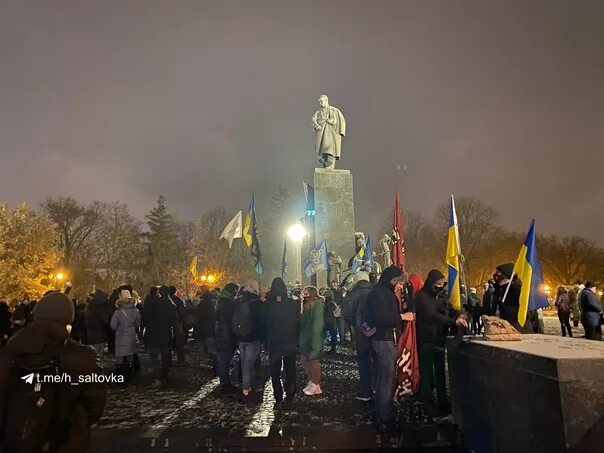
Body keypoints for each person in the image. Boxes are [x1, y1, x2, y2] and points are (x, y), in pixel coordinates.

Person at [0, 292, 106, 452]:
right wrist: (76, 423)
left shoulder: (8, 351)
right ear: (68, 319)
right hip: (65, 442)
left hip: (15, 439)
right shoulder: (82, 356)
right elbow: (95, 404)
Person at [366, 265, 415, 435]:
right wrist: (402, 316)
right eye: (400, 283)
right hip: (384, 340)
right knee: (385, 379)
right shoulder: (380, 294)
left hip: (386, 339)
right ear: (393, 281)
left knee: (384, 378)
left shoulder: (383, 293)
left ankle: (382, 411)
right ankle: (384, 416)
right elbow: (382, 317)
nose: (401, 286)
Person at [415, 270, 468, 415]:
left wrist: (459, 315)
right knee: (426, 375)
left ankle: (443, 402)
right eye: (438, 284)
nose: (440, 287)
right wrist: (452, 321)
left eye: (442, 284)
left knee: (440, 374)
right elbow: (431, 315)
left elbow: (449, 309)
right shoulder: (421, 297)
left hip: (439, 339)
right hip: (425, 340)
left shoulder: (441, 297)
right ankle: (427, 404)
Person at [265, 277, 300, 407]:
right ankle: (290, 390)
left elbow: (264, 322)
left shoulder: (268, 304)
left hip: (274, 343)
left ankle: (278, 397)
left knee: (275, 372)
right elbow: (298, 322)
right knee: (290, 369)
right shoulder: (293, 303)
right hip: (290, 341)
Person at [233, 280, 264, 399]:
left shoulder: (238, 299)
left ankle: (245, 383)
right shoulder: (257, 302)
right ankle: (246, 387)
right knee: (248, 364)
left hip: (240, 336)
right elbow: (260, 321)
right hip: (253, 336)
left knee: (243, 360)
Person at [346, 271, 374, 402]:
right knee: (375, 360)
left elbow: (348, 313)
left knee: (363, 361)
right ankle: (376, 388)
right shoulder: (374, 291)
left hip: (361, 332)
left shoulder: (354, 293)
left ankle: (365, 391)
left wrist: (354, 325)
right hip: (375, 331)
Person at [142, 285, 177, 386]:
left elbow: (148, 318)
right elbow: (174, 321)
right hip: (166, 334)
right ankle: (164, 377)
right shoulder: (172, 305)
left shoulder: (154, 304)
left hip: (154, 333)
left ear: (160, 292)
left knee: (155, 357)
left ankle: (157, 378)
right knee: (165, 357)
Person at [492, 263, 534, 333]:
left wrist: (506, 310)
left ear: (507, 275)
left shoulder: (519, 289)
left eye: (498, 274)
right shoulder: (500, 289)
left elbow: (528, 311)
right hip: (505, 328)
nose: (495, 277)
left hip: (520, 329)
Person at [110, 289, 141, 382]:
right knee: (130, 356)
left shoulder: (118, 311)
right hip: (131, 336)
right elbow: (138, 324)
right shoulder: (135, 310)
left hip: (121, 337)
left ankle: (120, 376)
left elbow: (112, 325)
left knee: (120, 356)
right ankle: (130, 374)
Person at [299, 286, 325, 396]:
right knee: (305, 360)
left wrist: (316, 343)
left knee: (313, 361)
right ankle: (312, 381)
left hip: (312, 338)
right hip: (306, 338)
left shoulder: (317, 305)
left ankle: (316, 384)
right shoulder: (307, 305)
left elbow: (317, 325)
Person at [214, 283, 239, 393]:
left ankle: (224, 381)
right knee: (225, 358)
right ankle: (224, 383)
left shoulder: (221, 299)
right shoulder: (228, 302)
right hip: (226, 333)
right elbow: (232, 317)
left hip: (221, 332)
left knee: (223, 358)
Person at [85, 289, 111, 358]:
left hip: (91, 336)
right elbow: (106, 322)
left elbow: (86, 321)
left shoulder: (90, 307)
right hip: (101, 336)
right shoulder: (103, 307)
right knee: (99, 357)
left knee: (92, 357)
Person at [169, 286, 187, 365]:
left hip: (168, 324)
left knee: (168, 343)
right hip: (177, 323)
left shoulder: (164, 300)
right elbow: (182, 312)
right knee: (179, 342)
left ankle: (168, 360)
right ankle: (181, 359)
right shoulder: (178, 300)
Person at [323, 290, 339, 355]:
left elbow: (328, 313)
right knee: (333, 335)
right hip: (333, 320)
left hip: (329, 321)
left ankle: (333, 349)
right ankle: (333, 349)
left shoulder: (329, 303)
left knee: (333, 335)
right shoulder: (333, 302)